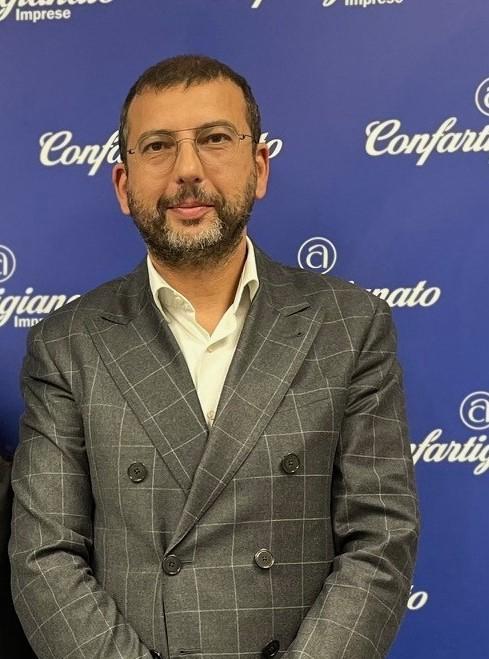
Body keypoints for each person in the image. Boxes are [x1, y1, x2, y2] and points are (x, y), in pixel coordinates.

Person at [10, 54, 419, 659]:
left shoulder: (350, 326)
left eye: (215, 139)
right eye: (157, 147)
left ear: (259, 167)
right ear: (123, 185)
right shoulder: (65, 344)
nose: (187, 170)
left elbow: (380, 537)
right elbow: (44, 558)